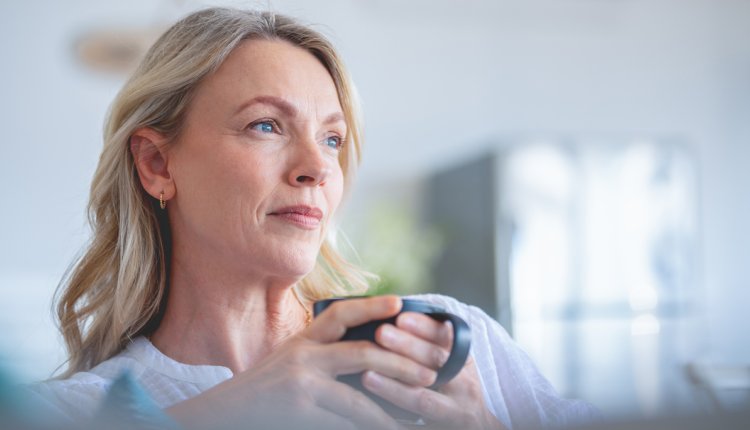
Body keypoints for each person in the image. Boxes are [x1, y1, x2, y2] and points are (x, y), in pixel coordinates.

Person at [28, 7, 597, 430]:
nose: (316, 169)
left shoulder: (445, 348)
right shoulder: (74, 411)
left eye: (332, 139)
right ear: (156, 164)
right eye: (266, 126)